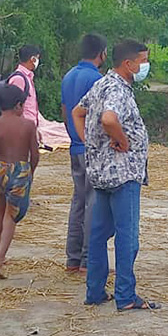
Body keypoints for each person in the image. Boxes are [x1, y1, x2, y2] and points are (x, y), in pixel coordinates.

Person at [72, 39, 159, 311]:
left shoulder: (100, 84)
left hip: (101, 173)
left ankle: (95, 291)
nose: (146, 65)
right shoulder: (118, 90)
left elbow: (78, 112)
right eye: (143, 60)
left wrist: (90, 141)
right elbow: (109, 119)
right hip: (123, 173)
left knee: (98, 235)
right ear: (128, 64)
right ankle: (125, 295)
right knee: (127, 236)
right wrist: (121, 140)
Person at [0, 84, 40, 279]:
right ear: (18, 105)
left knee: (0, 214)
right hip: (19, 170)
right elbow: (34, 154)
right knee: (11, 217)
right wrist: (31, 172)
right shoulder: (28, 125)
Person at [61, 34, 106, 273]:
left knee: (78, 201)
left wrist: (74, 135)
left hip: (74, 145)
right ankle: (90, 260)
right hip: (91, 148)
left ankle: (73, 258)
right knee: (93, 202)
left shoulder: (68, 76)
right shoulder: (97, 80)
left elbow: (65, 110)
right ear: (102, 53)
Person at [7, 45, 42, 129]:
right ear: (32, 59)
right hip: (21, 129)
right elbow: (13, 107)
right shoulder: (19, 79)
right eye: (37, 58)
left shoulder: (27, 78)